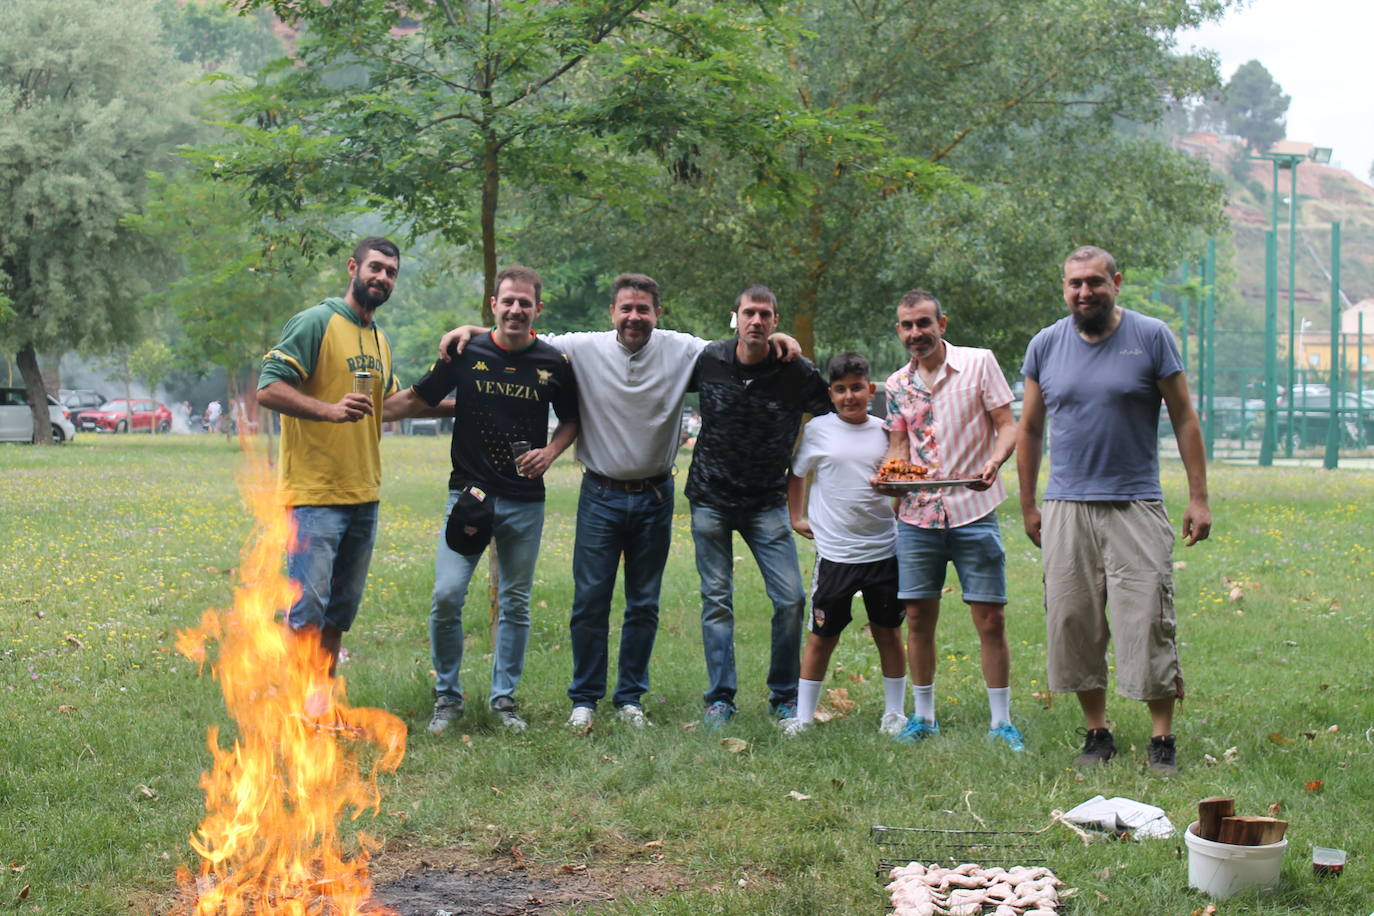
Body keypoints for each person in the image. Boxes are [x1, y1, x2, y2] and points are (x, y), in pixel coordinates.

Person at [437, 275, 800, 731]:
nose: (634, 317)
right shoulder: (582, 348)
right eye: (626, 308)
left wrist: (777, 336)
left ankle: (630, 698)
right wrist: (471, 330)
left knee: (644, 603)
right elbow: (519, 333)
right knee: (589, 600)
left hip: (654, 495)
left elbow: (740, 349)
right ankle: (584, 698)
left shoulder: (684, 349)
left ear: (657, 314)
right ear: (612, 313)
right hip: (600, 495)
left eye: (643, 309)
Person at [1017, 245, 1211, 775]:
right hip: (1066, 506)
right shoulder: (1045, 345)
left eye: (1095, 282)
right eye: (1075, 283)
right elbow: (1030, 428)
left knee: (1146, 616)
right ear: (1064, 287)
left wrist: (1198, 496)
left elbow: (1185, 416)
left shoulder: (1151, 336)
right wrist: (1030, 502)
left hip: (1136, 503)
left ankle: (1161, 739)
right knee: (1073, 620)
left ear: (1116, 282)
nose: (1085, 292)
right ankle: (1097, 732)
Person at [387, 264, 579, 733]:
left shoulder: (554, 363)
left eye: (524, 302)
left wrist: (551, 452)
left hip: (525, 500)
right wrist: (363, 413)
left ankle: (503, 700)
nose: (515, 309)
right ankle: (447, 698)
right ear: (493, 305)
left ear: (537, 309)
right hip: (469, 495)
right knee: (448, 595)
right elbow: (418, 397)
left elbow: (572, 419)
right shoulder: (464, 350)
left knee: (516, 601)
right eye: (507, 300)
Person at [877, 289, 1022, 750]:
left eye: (924, 323)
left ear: (943, 323)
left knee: (990, 618)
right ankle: (924, 717)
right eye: (907, 326)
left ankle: (1001, 724)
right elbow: (899, 448)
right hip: (917, 517)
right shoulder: (897, 384)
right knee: (917, 617)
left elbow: (1007, 424)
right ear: (899, 331)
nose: (916, 333)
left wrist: (995, 462)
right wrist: (889, 480)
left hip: (973, 509)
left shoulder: (980, 363)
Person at [256, 236, 404, 685]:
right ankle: (295, 708)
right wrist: (329, 410)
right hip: (314, 496)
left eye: (391, 272)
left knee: (340, 612)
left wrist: (461, 401)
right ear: (352, 268)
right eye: (375, 267)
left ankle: (321, 698)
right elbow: (268, 388)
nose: (381, 277)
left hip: (364, 495)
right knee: (307, 611)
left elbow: (390, 405)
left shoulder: (379, 338)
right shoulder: (316, 322)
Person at [688, 284, 831, 726]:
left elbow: (832, 419)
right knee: (717, 601)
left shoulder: (797, 371)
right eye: (749, 312)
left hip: (766, 502)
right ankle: (720, 699)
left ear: (775, 322)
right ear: (736, 317)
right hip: (711, 498)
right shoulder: (708, 359)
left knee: (790, 599)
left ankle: (784, 695)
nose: (756, 321)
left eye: (765, 315)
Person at [782, 352, 905, 737]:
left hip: (883, 551)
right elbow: (798, 474)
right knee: (822, 637)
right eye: (840, 389)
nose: (849, 396)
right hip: (836, 555)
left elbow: (899, 481)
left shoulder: (886, 431)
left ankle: (895, 713)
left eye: (856, 388)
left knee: (888, 632)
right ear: (831, 393)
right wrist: (796, 517)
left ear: (871, 390)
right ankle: (803, 716)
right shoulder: (818, 430)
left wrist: (899, 507)